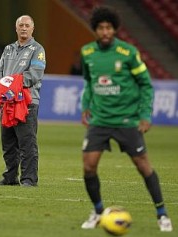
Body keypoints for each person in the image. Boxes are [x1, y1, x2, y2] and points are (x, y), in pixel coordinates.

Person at [80, 6, 173, 232]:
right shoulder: (87, 53)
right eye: (100, 28)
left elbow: (146, 85)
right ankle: (98, 211)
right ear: (95, 30)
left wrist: (145, 115)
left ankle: (162, 214)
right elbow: (89, 81)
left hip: (126, 121)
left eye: (108, 28)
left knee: (143, 166)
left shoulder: (128, 52)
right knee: (89, 167)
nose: (104, 32)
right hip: (100, 120)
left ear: (115, 29)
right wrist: (86, 105)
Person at [0, 15, 46, 187]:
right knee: (8, 143)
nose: (23, 28)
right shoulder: (8, 49)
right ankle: (10, 177)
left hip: (27, 102)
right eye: (21, 25)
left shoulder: (38, 49)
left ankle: (29, 179)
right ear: (16, 28)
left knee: (27, 142)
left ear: (32, 28)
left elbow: (35, 74)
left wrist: (11, 85)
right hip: (7, 102)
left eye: (27, 25)